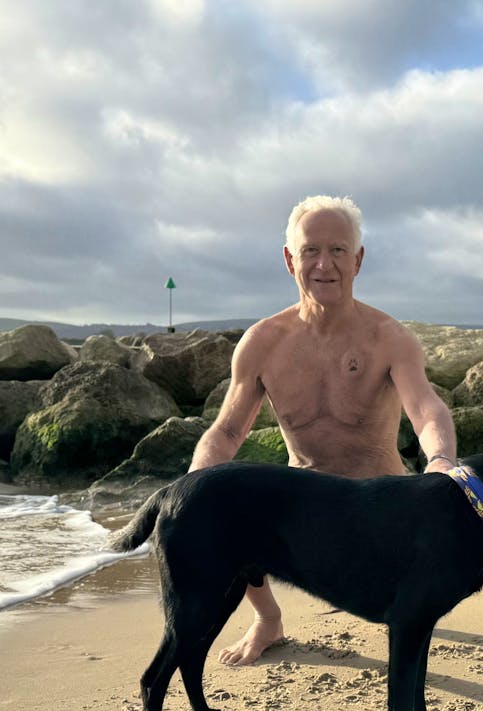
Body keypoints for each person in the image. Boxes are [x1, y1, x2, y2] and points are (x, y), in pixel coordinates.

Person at [189, 194, 459, 665]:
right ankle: (268, 620)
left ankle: (404, 601)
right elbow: (227, 431)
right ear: (289, 259)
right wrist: (197, 483)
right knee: (229, 511)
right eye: (311, 250)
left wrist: (440, 462)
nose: (324, 264)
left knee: (411, 603)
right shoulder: (263, 343)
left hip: (380, 508)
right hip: (307, 511)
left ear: (358, 259)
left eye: (338, 250)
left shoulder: (388, 338)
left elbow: (426, 410)